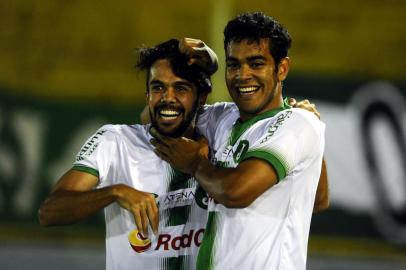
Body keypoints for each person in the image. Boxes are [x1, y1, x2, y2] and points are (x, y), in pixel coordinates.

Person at [150, 12, 328, 270]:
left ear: (282, 69)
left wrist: (195, 164)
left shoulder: (297, 123)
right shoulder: (221, 117)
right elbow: (158, 118)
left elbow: (235, 192)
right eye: (233, 65)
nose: (242, 75)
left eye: (256, 63)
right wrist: (206, 67)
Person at [38, 38, 218, 270]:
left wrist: (212, 62)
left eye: (180, 88)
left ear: (201, 97)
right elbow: (49, 212)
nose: (167, 97)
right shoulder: (115, 141)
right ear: (147, 96)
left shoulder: (219, 134)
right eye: (158, 87)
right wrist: (114, 192)